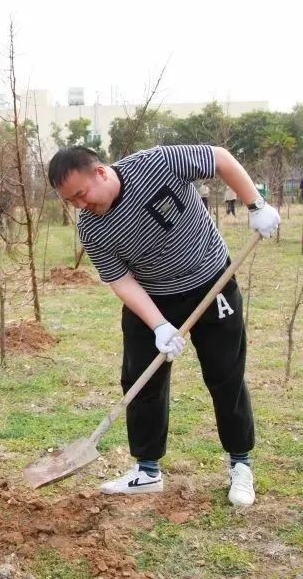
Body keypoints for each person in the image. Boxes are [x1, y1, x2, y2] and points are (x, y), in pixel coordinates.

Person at [47, 145, 280, 507]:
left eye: (81, 194)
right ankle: (147, 470)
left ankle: (240, 464)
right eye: (71, 201)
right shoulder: (92, 229)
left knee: (225, 375)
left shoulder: (158, 163)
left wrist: (255, 204)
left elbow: (219, 158)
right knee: (140, 380)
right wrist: (158, 325)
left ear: (102, 173)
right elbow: (120, 279)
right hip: (152, 297)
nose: (81, 205)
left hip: (210, 280)